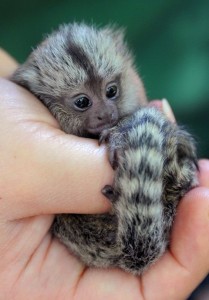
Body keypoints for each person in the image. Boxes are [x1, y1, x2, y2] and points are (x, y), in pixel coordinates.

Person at [0, 48, 209, 300]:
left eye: (111, 92)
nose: (105, 111)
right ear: (39, 100)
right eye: (82, 103)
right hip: (89, 248)